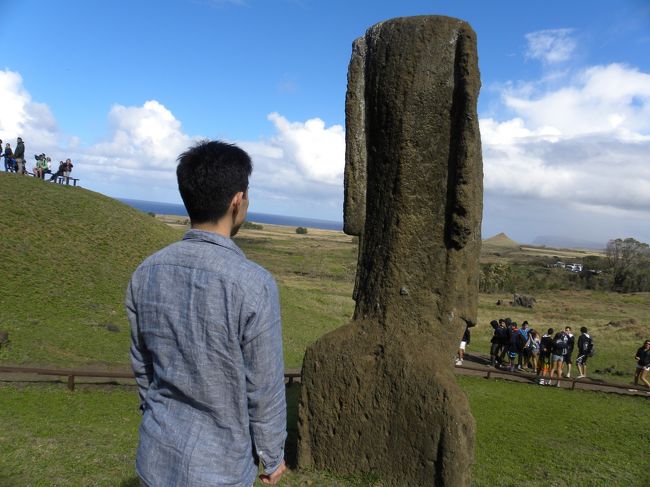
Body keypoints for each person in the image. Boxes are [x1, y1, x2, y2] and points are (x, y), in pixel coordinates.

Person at [126, 141, 287, 487]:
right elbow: (265, 385)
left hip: (155, 453)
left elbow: (143, 366)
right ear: (237, 201)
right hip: (221, 467)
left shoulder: (146, 271)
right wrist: (272, 455)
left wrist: (153, 413)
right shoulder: (253, 283)